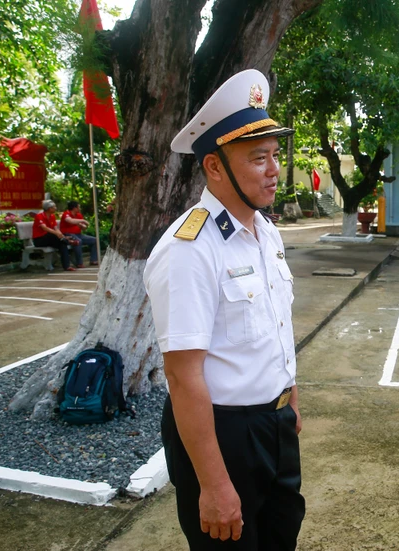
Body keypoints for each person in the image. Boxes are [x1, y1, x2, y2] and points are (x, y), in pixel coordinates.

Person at [143, 69, 304, 550]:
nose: (274, 169)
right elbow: (183, 377)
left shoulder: (265, 232)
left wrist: (289, 397)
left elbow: (277, 325)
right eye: (259, 158)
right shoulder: (190, 248)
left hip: (273, 427)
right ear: (214, 167)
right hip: (223, 435)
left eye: (275, 155)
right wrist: (213, 485)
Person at [32, 200, 74, 271]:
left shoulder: (52, 216)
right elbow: (45, 228)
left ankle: (66, 266)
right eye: (54, 207)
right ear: (49, 208)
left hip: (50, 238)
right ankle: (68, 241)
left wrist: (60, 234)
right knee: (53, 236)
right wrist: (57, 234)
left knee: (62, 244)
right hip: (39, 240)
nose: (56, 208)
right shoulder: (39, 216)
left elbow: (55, 228)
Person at [60, 201, 99, 268]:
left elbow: (83, 227)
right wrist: (82, 221)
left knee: (94, 240)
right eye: (78, 207)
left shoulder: (79, 215)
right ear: (74, 208)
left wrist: (83, 226)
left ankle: (93, 260)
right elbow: (70, 220)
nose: (79, 208)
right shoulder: (66, 214)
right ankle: (79, 263)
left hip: (78, 234)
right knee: (78, 241)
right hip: (68, 235)